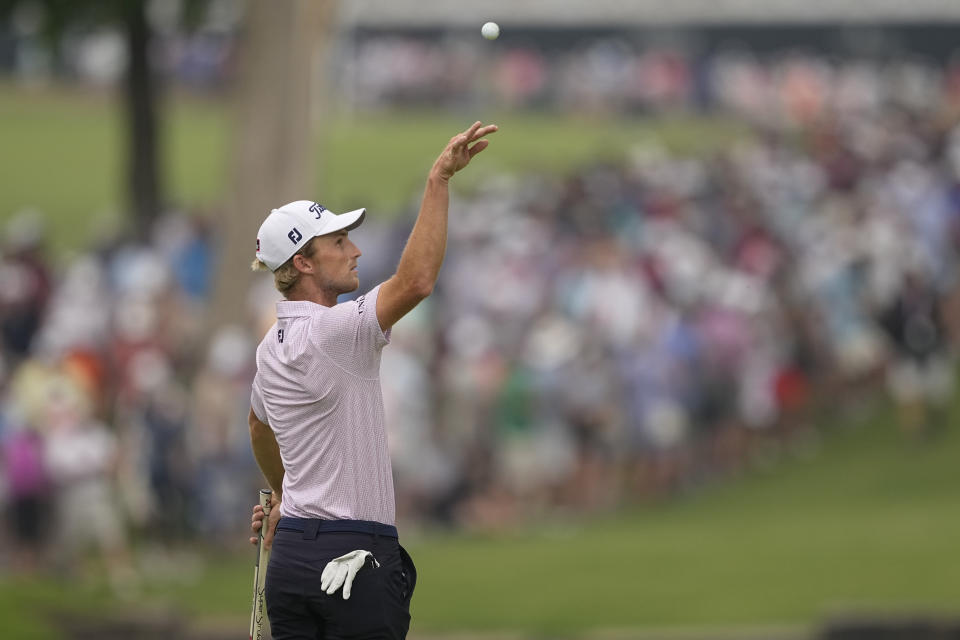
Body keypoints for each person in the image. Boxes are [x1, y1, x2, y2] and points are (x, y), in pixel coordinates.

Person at [247, 121, 497, 639]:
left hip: (292, 557)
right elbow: (417, 281)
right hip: (353, 557)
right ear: (304, 262)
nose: (355, 250)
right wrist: (439, 181)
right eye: (339, 242)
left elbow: (257, 425)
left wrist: (284, 497)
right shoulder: (338, 332)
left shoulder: (269, 347)